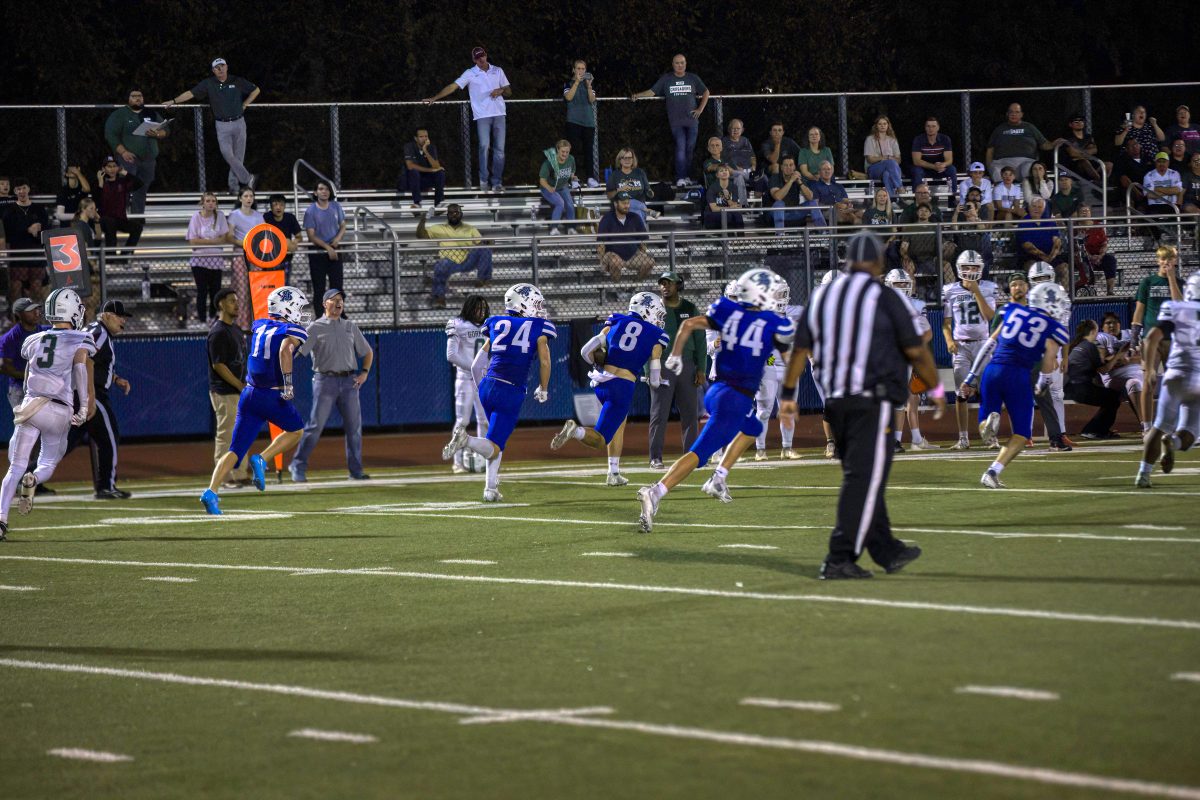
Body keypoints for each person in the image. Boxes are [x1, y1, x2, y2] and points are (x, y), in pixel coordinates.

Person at [782, 231, 946, 578]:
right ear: (877, 261)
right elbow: (915, 348)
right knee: (864, 478)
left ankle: (887, 549)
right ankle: (839, 558)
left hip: (836, 402)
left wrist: (788, 394)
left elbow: (800, 348)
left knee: (865, 475)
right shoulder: (883, 295)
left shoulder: (823, 295)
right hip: (871, 400)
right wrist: (935, 387)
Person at [637, 268, 793, 532]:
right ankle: (656, 492)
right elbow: (790, 358)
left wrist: (675, 355)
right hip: (734, 398)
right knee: (699, 454)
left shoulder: (729, 312)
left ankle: (719, 478)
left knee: (753, 427)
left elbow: (688, 325)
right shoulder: (771, 322)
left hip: (718, 391)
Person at [200, 286, 311, 515]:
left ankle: (211, 492)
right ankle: (262, 458)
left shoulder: (260, 325)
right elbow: (285, 350)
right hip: (270, 395)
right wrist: (288, 385)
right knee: (296, 430)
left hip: (249, 394)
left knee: (235, 450)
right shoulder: (292, 330)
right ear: (287, 308)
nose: (300, 312)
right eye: (298, 307)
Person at [441, 283, 554, 501]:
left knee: (494, 438)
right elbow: (545, 362)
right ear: (523, 304)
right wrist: (544, 388)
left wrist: (482, 387)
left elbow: (476, 365)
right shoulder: (539, 327)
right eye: (536, 304)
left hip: (487, 385)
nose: (539, 308)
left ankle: (490, 488)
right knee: (494, 446)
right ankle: (466, 441)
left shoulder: (497, 323)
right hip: (510, 390)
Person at [0, 289, 95, 540]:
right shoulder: (80, 338)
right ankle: (34, 478)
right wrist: (83, 407)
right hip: (58, 408)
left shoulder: (33, 339)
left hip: (30, 406)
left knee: (15, 466)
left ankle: (1, 520)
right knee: (48, 463)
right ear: (71, 311)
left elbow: (27, 371)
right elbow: (80, 369)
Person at [959, 282, 1070, 489]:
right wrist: (1043, 383)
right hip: (1018, 375)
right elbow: (1048, 362)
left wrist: (971, 376)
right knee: (1021, 433)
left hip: (993, 370)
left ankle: (987, 425)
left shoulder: (1012, 310)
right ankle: (992, 472)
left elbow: (989, 344)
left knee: (985, 423)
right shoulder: (1054, 328)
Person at [553, 292, 669, 485]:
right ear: (647, 310)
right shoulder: (657, 334)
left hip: (601, 382)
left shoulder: (617, 320)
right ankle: (576, 431)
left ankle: (613, 473)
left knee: (618, 425)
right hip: (621, 387)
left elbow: (585, 351)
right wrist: (654, 381)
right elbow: (655, 376)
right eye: (657, 313)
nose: (658, 318)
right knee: (600, 440)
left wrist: (596, 364)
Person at [288, 288, 374, 482]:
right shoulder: (315, 327)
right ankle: (297, 465)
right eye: (333, 299)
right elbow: (298, 352)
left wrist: (364, 373)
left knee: (354, 429)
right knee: (315, 426)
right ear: (324, 304)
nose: (338, 303)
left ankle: (355, 471)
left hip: (349, 382)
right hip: (325, 381)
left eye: (340, 299)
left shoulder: (350, 326)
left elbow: (367, 352)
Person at [1135, 273, 1200, 488]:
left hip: (1176, 376)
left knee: (1159, 426)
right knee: (1189, 436)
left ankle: (1144, 474)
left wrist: (1149, 369)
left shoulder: (1177, 309)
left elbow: (1152, 337)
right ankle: (1173, 442)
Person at [163, 58, 259, 194]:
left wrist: (245, 104)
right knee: (227, 154)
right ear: (213, 70)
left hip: (239, 122)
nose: (220, 69)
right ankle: (248, 178)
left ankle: (234, 188)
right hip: (222, 125)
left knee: (238, 158)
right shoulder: (208, 83)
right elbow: (191, 93)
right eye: (217, 67)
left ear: (227, 67)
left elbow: (256, 90)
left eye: (222, 66)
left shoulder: (236, 80)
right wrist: (173, 101)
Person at [423, 47, 510, 192]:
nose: (481, 60)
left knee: (500, 150)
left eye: (482, 56)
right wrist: (434, 98)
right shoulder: (470, 73)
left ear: (486, 55)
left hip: (499, 114)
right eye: (477, 58)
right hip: (482, 115)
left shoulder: (497, 70)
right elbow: (453, 86)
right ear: (474, 60)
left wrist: (500, 90)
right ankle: (484, 180)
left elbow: (508, 91)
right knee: (484, 146)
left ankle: (497, 182)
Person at [1003, 272, 1071, 451]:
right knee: (1016, 401)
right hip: (1013, 362)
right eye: (1014, 284)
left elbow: (1049, 333)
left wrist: (1051, 356)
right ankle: (1021, 437)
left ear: (1027, 287)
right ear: (1009, 288)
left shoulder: (1036, 308)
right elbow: (997, 338)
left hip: (1034, 362)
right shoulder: (1004, 311)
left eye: (1021, 284)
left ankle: (1056, 438)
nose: (1018, 287)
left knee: (1045, 400)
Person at [647, 272, 705, 468]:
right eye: (662, 283)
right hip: (662, 364)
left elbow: (700, 340)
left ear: (678, 285)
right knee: (659, 413)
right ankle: (655, 457)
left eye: (669, 283)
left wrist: (701, 368)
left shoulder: (690, 308)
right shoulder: (654, 309)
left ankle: (691, 456)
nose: (665, 287)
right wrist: (649, 370)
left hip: (687, 363)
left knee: (690, 414)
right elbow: (647, 341)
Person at [942, 250, 999, 449]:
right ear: (959, 268)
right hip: (961, 346)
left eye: (974, 266)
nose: (970, 270)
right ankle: (963, 438)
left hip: (983, 344)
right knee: (961, 393)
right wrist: (949, 340)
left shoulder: (988, 287)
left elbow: (990, 317)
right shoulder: (950, 290)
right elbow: (946, 323)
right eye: (966, 266)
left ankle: (991, 436)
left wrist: (976, 291)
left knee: (988, 391)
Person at [0, 297, 56, 496]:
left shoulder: (45, 331)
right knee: (26, 435)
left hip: (42, 389)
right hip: (20, 390)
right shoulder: (10, 337)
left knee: (40, 435)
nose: (36, 312)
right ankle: (18, 478)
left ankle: (32, 479)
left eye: (37, 309)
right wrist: (28, 376)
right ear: (19, 315)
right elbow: (4, 366)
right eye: (31, 310)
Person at [631, 54, 709, 187]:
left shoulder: (692, 78)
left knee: (690, 149)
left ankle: (688, 177)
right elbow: (652, 91)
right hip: (676, 121)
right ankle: (680, 177)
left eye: (682, 63)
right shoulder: (667, 78)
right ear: (673, 64)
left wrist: (700, 109)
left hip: (692, 121)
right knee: (680, 148)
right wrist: (638, 95)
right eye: (677, 63)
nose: (680, 65)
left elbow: (706, 91)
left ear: (686, 63)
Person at [206, 288, 250, 488]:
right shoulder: (218, 332)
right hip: (225, 391)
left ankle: (240, 473)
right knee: (226, 434)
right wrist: (239, 384)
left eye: (237, 300)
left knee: (241, 432)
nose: (237, 304)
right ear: (221, 304)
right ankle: (224, 477)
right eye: (232, 301)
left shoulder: (235, 329)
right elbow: (219, 365)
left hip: (239, 390)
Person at [444, 295, 490, 474]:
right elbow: (451, 355)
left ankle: (486, 459)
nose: (481, 312)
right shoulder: (458, 324)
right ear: (470, 308)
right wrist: (474, 368)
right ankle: (457, 462)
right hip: (466, 379)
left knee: (484, 420)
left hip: (484, 380)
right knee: (462, 421)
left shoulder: (490, 324)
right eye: (478, 308)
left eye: (483, 308)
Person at [104, 88, 167, 214]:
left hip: (148, 159)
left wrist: (157, 134)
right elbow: (110, 135)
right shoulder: (120, 114)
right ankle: (120, 216)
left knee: (142, 189)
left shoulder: (150, 113)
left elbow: (166, 129)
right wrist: (123, 152)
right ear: (128, 99)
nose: (137, 98)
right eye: (134, 96)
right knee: (124, 187)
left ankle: (137, 218)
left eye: (140, 96)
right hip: (128, 158)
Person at [418, 204, 492, 308]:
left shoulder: (469, 228)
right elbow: (420, 235)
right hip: (449, 262)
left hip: (467, 261)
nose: (454, 215)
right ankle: (440, 298)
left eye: (456, 212)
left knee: (485, 249)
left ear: (461, 214)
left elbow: (480, 243)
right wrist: (422, 221)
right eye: (451, 213)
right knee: (441, 265)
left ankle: (483, 279)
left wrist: (488, 242)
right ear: (447, 215)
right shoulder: (439, 228)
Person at [1064, 319, 1125, 440]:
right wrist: (1119, 355)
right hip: (1080, 389)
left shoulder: (1077, 346)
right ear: (1093, 332)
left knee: (1109, 397)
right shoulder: (1090, 346)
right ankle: (1093, 430)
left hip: (1071, 388)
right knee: (1114, 397)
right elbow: (1104, 370)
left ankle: (1097, 429)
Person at [0, 177, 50, 303]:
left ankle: (36, 312)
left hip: (36, 253)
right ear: (15, 191)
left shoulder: (39, 209)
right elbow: (9, 233)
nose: (21, 191)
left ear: (28, 189)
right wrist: (28, 229)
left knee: (36, 286)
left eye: (24, 188)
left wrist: (38, 228)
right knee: (16, 286)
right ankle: (15, 313)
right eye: (18, 189)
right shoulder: (10, 211)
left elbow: (46, 229)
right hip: (18, 253)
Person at [985, 102, 1062, 181]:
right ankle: (1002, 189)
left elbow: (1044, 144)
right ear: (1007, 114)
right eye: (1011, 112)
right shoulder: (999, 129)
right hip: (1003, 162)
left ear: (1021, 114)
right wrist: (989, 168)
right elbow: (990, 150)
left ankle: (1028, 188)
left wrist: (1053, 144)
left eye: (1017, 112)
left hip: (1026, 161)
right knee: (996, 170)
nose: (1014, 114)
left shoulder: (1030, 127)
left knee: (1028, 169)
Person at [186, 192, 232, 323]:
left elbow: (224, 239)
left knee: (215, 291)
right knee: (202, 291)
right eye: (208, 201)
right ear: (203, 203)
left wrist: (204, 241)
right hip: (199, 261)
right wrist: (213, 241)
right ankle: (202, 319)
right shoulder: (196, 217)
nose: (211, 203)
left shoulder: (220, 216)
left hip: (216, 261)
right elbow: (193, 241)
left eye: (213, 201)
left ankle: (213, 317)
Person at [1097, 312, 1146, 433]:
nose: (1112, 325)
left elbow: (1146, 355)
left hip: (1139, 373)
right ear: (1102, 327)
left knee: (1136, 383)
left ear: (1120, 324)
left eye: (1115, 322)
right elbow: (1102, 362)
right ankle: (1146, 426)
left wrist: (1127, 360)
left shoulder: (1131, 334)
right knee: (1133, 384)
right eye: (1108, 323)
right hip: (1114, 379)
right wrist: (1119, 357)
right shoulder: (1101, 337)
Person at [303, 180, 346, 305]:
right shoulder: (310, 211)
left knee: (337, 286)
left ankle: (338, 312)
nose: (324, 192)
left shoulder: (336, 206)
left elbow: (343, 225)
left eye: (327, 189)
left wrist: (337, 240)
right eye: (321, 189)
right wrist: (327, 248)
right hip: (318, 252)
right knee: (319, 288)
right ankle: (320, 313)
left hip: (334, 248)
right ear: (315, 192)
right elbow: (311, 236)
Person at [1132, 245, 1183, 348]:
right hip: (1150, 336)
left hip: (1173, 337)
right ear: (1158, 261)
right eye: (1163, 259)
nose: (1166, 262)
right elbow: (1139, 311)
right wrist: (1134, 338)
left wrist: (1171, 278)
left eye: (1170, 259)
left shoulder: (1182, 284)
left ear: (1175, 261)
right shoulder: (1147, 282)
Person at [597, 192, 654, 279]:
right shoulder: (607, 218)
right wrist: (602, 261)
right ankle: (617, 286)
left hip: (633, 255)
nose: (626, 206)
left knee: (649, 262)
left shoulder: (635, 217)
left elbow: (643, 240)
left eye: (628, 203)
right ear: (615, 204)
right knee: (615, 262)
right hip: (612, 255)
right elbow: (601, 243)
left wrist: (642, 254)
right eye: (623, 203)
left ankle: (636, 284)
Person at [95, 156, 145, 256]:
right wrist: (100, 183)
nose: (112, 169)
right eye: (109, 166)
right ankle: (111, 257)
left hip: (120, 219)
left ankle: (124, 256)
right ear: (103, 169)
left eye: (114, 166)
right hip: (105, 219)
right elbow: (96, 202)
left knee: (137, 227)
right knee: (110, 223)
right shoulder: (99, 183)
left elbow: (139, 183)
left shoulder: (122, 182)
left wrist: (125, 173)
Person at [1015, 196, 1067, 284]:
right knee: (1036, 269)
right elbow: (1028, 247)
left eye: (1039, 207)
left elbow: (1057, 241)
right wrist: (1044, 258)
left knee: (1064, 268)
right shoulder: (1023, 223)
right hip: (1031, 257)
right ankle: (1040, 292)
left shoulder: (1050, 222)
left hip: (1050, 256)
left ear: (1043, 209)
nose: (1037, 209)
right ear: (1029, 207)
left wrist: (1051, 257)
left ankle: (1063, 292)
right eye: (1034, 206)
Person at [563, 60, 598, 186]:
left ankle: (590, 178)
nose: (581, 71)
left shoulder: (588, 83)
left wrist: (589, 86)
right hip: (573, 121)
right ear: (573, 70)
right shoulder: (568, 83)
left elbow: (592, 100)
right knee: (573, 151)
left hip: (588, 122)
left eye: (583, 69)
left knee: (588, 151)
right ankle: (573, 178)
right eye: (578, 68)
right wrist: (577, 82)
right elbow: (568, 97)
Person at [769, 156, 826, 230]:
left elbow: (810, 197)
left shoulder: (798, 177)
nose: (789, 168)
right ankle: (780, 236)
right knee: (779, 203)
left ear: (794, 167)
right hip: (776, 213)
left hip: (794, 212)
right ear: (781, 167)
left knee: (813, 203)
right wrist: (791, 181)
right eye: (786, 165)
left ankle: (824, 233)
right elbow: (778, 197)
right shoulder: (775, 178)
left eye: (791, 165)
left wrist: (799, 182)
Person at [605, 148, 655, 223]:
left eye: (630, 158)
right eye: (625, 158)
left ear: (633, 159)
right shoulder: (615, 175)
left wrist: (650, 193)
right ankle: (647, 213)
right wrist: (619, 189)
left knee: (636, 211)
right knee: (635, 211)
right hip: (622, 207)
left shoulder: (640, 172)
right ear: (620, 160)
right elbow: (609, 195)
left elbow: (648, 190)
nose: (627, 160)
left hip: (639, 205)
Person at [262, 193, 302, 282]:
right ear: (271, 207)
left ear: (284, 206)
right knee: (271, 286)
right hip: (270, 259)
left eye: (281, 205)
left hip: (286, 258)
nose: (278, 207)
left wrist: (294, 242)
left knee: (284, 285)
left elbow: (299, 236)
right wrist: (284, 241)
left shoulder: (290, 218)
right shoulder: (266, 217)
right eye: (275, 205)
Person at [538, 139, 576, 234]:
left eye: (567, 152)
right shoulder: (549, 162)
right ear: (558, 150)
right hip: (548, 188)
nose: (565, 154)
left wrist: (573, 177)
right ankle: (554, 228)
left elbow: (572, 171)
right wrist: (549, 188)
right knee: (560, 203)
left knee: (570, 205)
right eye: (563, 151)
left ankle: (571, 228)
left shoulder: (571, 159)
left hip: (562, 186)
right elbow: (542, 180)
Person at [402, 129, 447, 209]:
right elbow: (410, 166)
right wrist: (431, 170)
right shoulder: (409, 147)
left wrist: (425, 150)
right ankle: (417, 203)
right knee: (414, 172)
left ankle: (439, 202)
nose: (424, 139)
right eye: (421, 137)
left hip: (425, 180)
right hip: (411, 181)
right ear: (416, 138)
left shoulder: (431, 147)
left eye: (426, 136)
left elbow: (436, 167)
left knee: (440, 172)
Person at [909, 116, 956, 192]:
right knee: (916, 171)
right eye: (928, 126)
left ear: (938, 128)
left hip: (940, 168)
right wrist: (933, 166)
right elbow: (916, 161)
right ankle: (917, 197)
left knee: (952, 169)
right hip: (924, 168)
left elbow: (949, 160)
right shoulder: (918, 139)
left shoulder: (945, 139)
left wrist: (943, 165)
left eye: (933, 126)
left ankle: (953, 197)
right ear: (925, 128)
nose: (931, 129)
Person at [808, 160, 861, 225]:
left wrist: (849, 203)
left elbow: (846, 200)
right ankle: (855, 219)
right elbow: (816, 205)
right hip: (828, 210)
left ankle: (859, 221)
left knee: (860, 209)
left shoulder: (839, 186)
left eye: (829, 169)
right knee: (842, 211)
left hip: (844, 208)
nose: (827, 171)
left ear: (832, 171)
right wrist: (834, 205)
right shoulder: (815, 186)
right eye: (824, 169)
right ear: (819, 172)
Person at [864, 115, 904, 200]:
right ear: (876, 126)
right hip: (874, 169)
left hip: (891, 169)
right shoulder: (870, 139)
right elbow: (870, 159)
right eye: (880, 124)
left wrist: (889, 158)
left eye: (885, 124)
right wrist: (884, 158)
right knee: (890, 162)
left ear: (888, 125)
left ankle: (892, 200)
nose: (882, 126)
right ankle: (900, 188)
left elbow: (899, 160)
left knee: (887, 174)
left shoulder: (893, 140)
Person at [702, 137, 746, 203]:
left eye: (717, 145)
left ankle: (743, 204)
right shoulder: (707, 162)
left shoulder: (727, 160)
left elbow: (735, 171)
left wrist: (734, 170)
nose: (714, 147)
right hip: (717, 186)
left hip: (730, 185)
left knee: (739, 177)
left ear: (721, 148)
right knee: (740, 175)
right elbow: (710, 167)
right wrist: (726, 167)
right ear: (708, 149)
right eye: (712, 145)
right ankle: (750, 176)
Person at [1062, 112, 1102, 183]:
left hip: (1090, 162)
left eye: (1081, 121)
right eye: (1076, 121)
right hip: (1074, 165)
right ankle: (1099, 182)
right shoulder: (1068, 137)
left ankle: (1100, 181)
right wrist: (1087, 152)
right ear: (1070, 124)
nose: (1079, 123)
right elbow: (1072, 153)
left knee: (1108, 165)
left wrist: (1079, 153)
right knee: (1084, 161)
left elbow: (1094, 150)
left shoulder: (1088, 137)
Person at [721, 119, 758, 193]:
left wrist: (753, 166)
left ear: (742, 130)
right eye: (733, 128)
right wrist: (735, 168)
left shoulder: (745, 141)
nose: (736, 130)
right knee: (739, 177)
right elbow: (723, 160)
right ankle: (742, 201)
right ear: (729, 130)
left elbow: (752, 156)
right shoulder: (724, 141)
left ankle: (757, 200)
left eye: (738, 128)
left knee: (763, 178)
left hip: (747, 170)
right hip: (732, 171)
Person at [703, 164, 743, 231]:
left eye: (726, 170)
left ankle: (741, 236)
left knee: (738, 215)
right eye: (721, 171)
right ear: (717, 175)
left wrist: (728, 198)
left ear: (729, 173)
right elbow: (714, 209)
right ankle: (727, 236)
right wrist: (729, 208)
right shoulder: (712, 188)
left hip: (728, 212)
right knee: (728, 216)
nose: (724, 172)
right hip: (712, 215)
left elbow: (734, 205)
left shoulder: (734, 187)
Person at [1113, 137, 1151, 207]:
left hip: (1148, 189)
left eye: (1136, 144)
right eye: (1131, 146)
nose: (1135, 147)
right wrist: (1137, 193)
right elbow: (1123, 179)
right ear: (1126, 149)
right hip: (1133, 189)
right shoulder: (1122, 160)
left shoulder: (1147, 158)